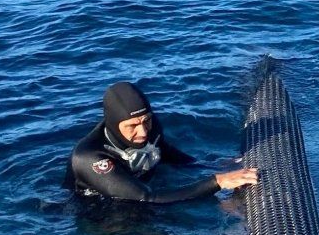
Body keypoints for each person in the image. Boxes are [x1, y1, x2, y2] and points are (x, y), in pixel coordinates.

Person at [66, 81, 258, 204]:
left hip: (146, 190)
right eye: (132, 126)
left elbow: (167, 153)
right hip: (102, 212)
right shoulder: (90, 158)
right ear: (114, 125)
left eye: (146, 121)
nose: (143, 132)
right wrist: (217, 182)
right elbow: (145, 197)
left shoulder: (150, 126)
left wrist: (211, 166)